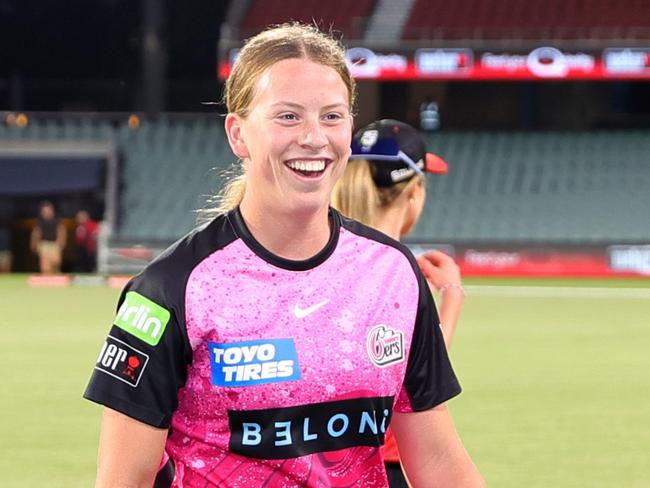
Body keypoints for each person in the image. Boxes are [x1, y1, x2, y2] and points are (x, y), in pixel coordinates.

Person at [84, 23, 484, 488]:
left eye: (332, 116)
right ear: (238, 134)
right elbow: (122, 480)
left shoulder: (394, 274)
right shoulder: (169, 289)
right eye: (288, 116)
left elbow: (438, 462)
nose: (315, 137)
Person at [332, 119, 466, 486]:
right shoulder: (394, 270)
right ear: (413, 194)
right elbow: (419, 380)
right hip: (381, 466)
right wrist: (452, 296)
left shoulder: (321, 254)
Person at [30, 201, 66, 274]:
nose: (46, 213)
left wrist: (60, 243)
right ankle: (46, 275)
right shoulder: (39, 223)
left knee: (56, 262)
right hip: (44, 244)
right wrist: (34, 245)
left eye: (48, 211)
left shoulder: (57, 222)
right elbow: (36, 234)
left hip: (54, 244)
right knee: (45, 265)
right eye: (44, 211)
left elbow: (61, 233)